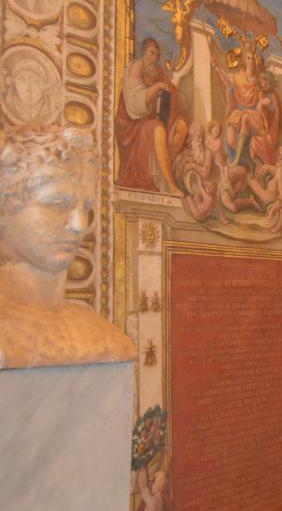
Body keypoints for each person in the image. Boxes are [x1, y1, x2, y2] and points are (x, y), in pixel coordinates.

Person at [0, 126, 135, 368]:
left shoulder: (99, 332)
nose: (80, 225)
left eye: (87, 208)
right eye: (57, 204)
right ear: (4, 208)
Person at [115, 37, 187, 194]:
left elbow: (171, 94)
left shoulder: (159, 71)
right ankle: (171, 184)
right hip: (131, 125)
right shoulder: (136, 68)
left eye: (157, 55)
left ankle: (161, 171)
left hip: (151, 120)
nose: (154, 58)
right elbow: (136, 107)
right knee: (158, 130)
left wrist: (172, 97)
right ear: (143, 52)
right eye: (151, 53)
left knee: (181, 127)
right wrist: (157, 87)